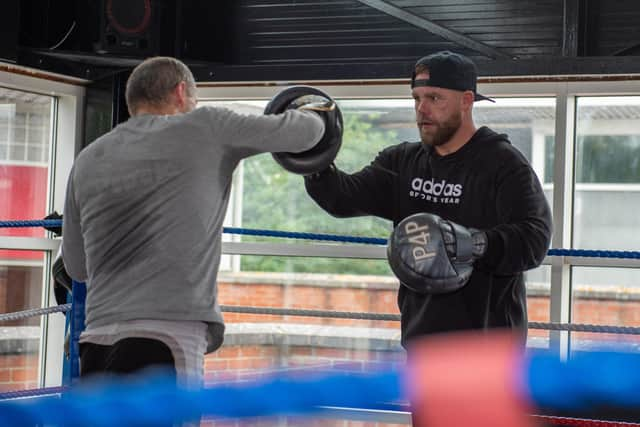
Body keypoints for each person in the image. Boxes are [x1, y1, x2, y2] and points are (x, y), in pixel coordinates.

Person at [61, 56, 329, 388]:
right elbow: (309, 131)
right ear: (180, 91)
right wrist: (317, 108)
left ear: (133, 102)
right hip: (167, 335)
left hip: (97, 341)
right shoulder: (205, 126)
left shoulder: (88, 158)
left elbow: (76, 267)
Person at [304, 51, 553, 348]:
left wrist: (475, 244)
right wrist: (313, 159)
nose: (422, 109)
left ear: (466, 100)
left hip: (489, 348)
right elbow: (342, 198)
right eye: (417, 98)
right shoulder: (402, 162)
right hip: (423, 343)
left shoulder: (502, 163)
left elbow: (535, 238)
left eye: (434, 98)